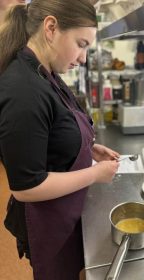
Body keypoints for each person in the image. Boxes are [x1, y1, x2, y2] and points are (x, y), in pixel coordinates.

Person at [0, 1, 120, 279]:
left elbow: (54, 132)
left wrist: (89, 149)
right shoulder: (22, 90)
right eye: (81, 44)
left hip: (64, 213)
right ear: (51, 28)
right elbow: (26, 188)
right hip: (48, 223)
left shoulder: (45, 71)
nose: (83, 58)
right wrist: (94, 173)